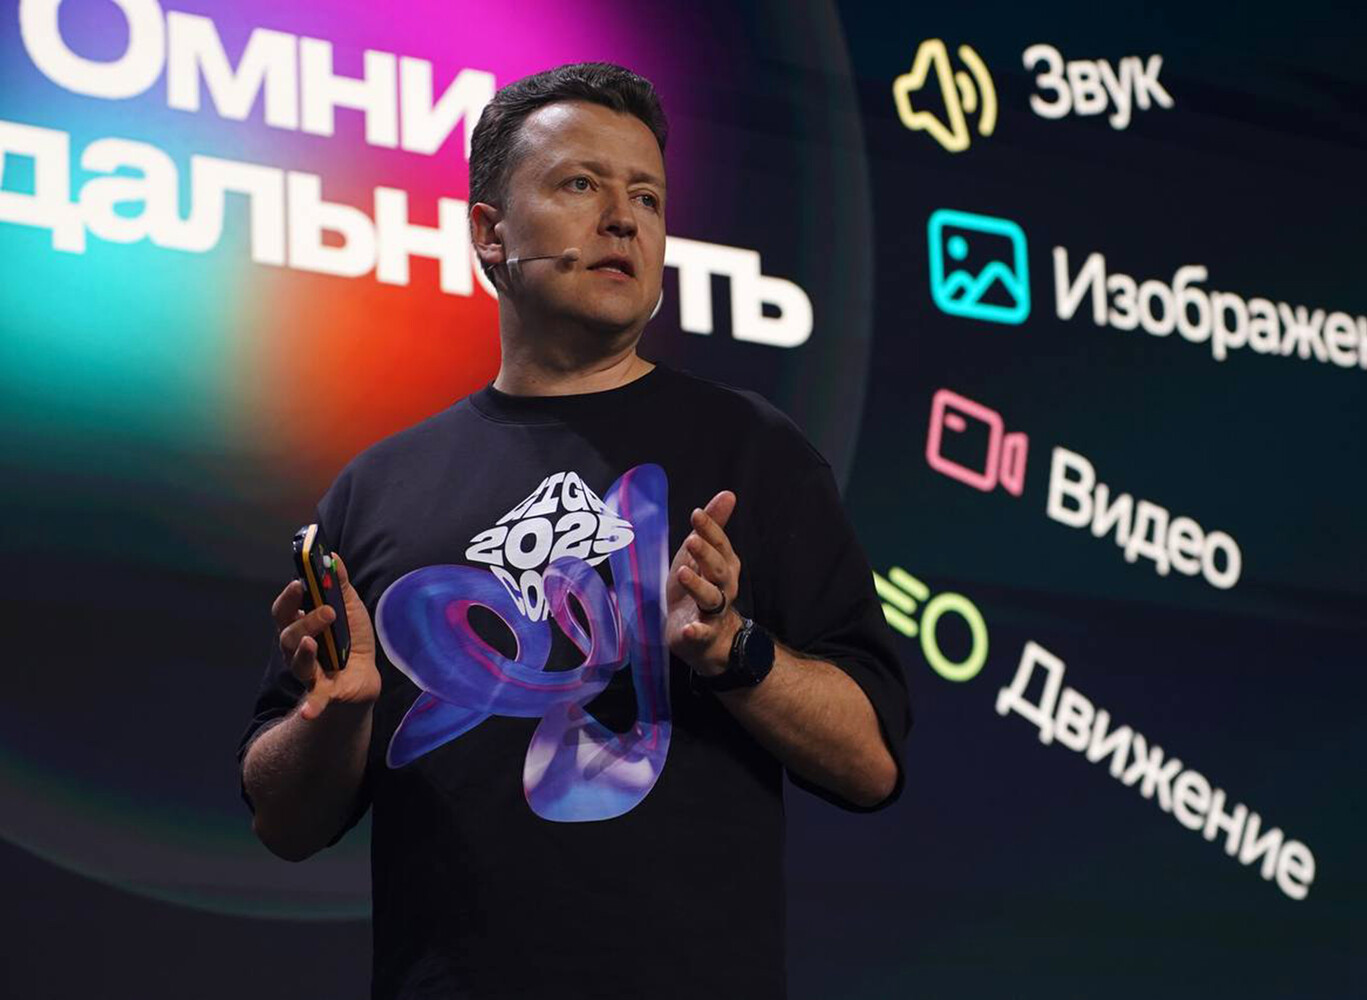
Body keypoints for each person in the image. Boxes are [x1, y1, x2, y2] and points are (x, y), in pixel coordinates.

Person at [236, 61, 911, 1000]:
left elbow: (872, 762)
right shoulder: (378, 489)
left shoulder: (754, 453)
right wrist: (335, 715)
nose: (625, 219)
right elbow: (283, 822)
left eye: (648, 196)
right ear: (489, 232)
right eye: (582, 184)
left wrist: (734, 650)